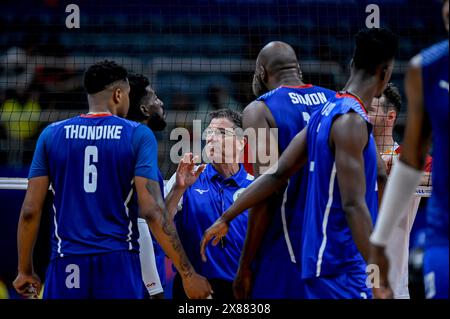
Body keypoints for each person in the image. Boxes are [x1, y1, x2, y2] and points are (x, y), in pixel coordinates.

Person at [201, 27, 398, 299]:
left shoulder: (314, 112)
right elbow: (376, 182)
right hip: (344, 254)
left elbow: (272, 180)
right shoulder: (340, 108)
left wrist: (230, 229)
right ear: (386, 73)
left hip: (300, 251)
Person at [12, 60, 212, 299]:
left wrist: (24, 271)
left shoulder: (51, 134)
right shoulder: (137, 134)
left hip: (66, 262)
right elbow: (152, 212)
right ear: (119, 94)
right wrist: (188, 274)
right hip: (117, 262)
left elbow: (30, 211)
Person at [233, 41, 335, 299]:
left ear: (261, 73)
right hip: (335, 245)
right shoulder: (337, 101)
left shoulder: (259, 110)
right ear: (297, 69)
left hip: (287, 245)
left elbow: (267, 192)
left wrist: (245, 264)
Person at [369, 0, 449, 299]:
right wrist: (377, 241)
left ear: (390, 116)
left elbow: (422, 170)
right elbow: (413, 164)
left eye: (374, 106)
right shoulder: (426, 67)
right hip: (439, 234)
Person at [166, 109, 252, 300]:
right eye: (209, 133)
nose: (212, 138)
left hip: (240, 288)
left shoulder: (255, 187)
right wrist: (178, 189)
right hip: (193, 286)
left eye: (221, 133)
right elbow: (159, 223)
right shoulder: (187, 176)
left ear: (241, 142)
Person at [368, 83, 431, 299]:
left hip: (394, 281)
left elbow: (442, 179)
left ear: (390, 117)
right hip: (351, 276)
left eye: (371, 110)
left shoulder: (408, 159)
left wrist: (401, 175)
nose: (362, 113)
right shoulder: (349, 153)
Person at [127, 73, 168, 299]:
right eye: (154, 97)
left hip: (145, 264)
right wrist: (155, 289)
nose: (160, 102)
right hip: (141, 273)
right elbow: (142, 220)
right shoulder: (140, 140)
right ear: (143, 109)